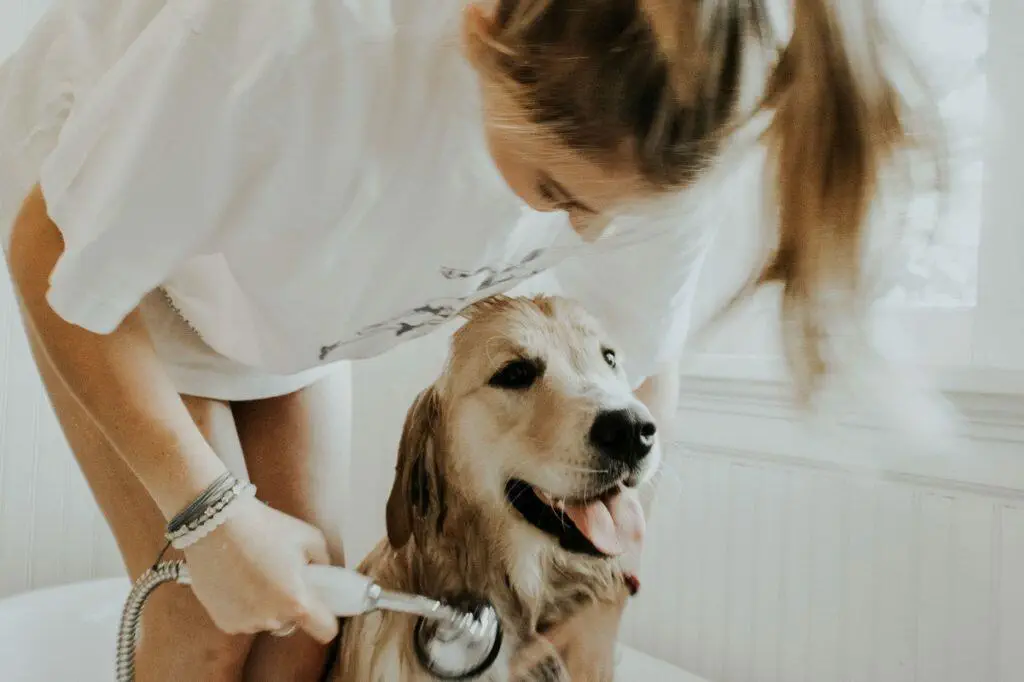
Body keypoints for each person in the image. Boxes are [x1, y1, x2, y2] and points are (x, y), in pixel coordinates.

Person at [0, 0, 916, 679]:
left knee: (303, 635)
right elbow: (51, 254)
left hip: (296, 299)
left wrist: (611, 590)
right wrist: (204, 516)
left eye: (616, 214)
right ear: (481, 35)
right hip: (116, 256)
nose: (592, 239)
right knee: (212, 623)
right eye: (559, 196)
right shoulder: (295, 42)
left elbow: (640, 365)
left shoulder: (658, 126)